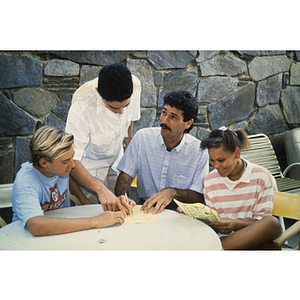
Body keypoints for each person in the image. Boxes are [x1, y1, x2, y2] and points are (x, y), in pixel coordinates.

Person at [11, 126, 130, 236]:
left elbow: (70, 179)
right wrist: (96, 221)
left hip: (63, 230)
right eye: (65, 161)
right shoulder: (26, 182)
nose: (72, 165)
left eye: (72, 157)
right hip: (28, 238)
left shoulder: (60, 170)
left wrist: (85, 200)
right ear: (44, 163)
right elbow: (36, 226)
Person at [115, 90, 209, 214]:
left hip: (180, 214)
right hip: (146, 210)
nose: (164, 121)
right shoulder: (142, 138)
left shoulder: (199, 151)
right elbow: (124, 177)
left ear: (188, 123)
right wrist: (123, 199)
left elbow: (199, 196)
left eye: (173, 117)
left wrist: (173, 192)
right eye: (164, 113)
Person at [65, 62, 141, 211]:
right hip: (90, 170)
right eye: (114, 107)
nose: (121, 112)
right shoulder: (82, 105)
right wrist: (101, 190)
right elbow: (71, 158)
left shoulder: (134, 84)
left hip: (116, 162)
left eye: (125, 106)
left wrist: (128, 152)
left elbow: (130, 118)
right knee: (99, 216)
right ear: (99, 92)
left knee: (122, 209)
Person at [198, 126, 282, 250]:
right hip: (225, 241)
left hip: (253, 238)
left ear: (237, 153)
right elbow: (214, 222)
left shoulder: (261, 176)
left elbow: (262, 224)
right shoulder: (209, 181)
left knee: (272, 223)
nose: (216, 166)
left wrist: (235, 224)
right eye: (212, 160)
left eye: (221, 160)